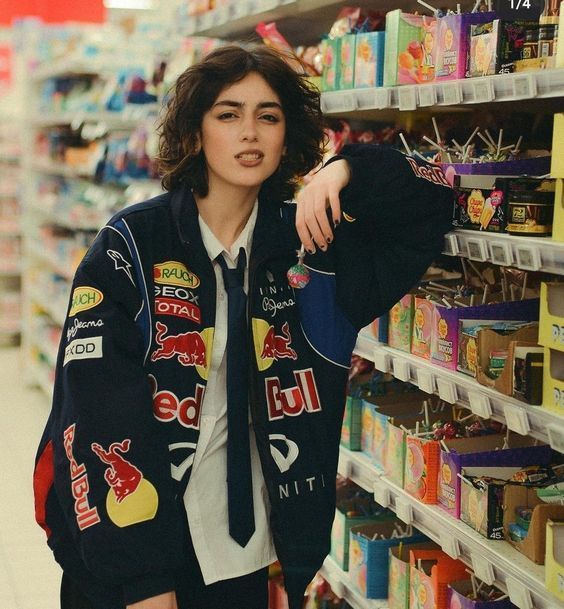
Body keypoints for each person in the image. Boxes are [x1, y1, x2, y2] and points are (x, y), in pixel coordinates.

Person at [33, 44, 454, 609]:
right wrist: (144, 584)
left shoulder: (313, 248)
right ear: (195, 131)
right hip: (126, 556)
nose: (249, 133)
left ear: (288, 135)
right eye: (228, 114)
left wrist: (346, 167)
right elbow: (95, 413)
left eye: (269, 116)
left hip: (242, 556)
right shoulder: (132, 244)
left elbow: (433, 195)